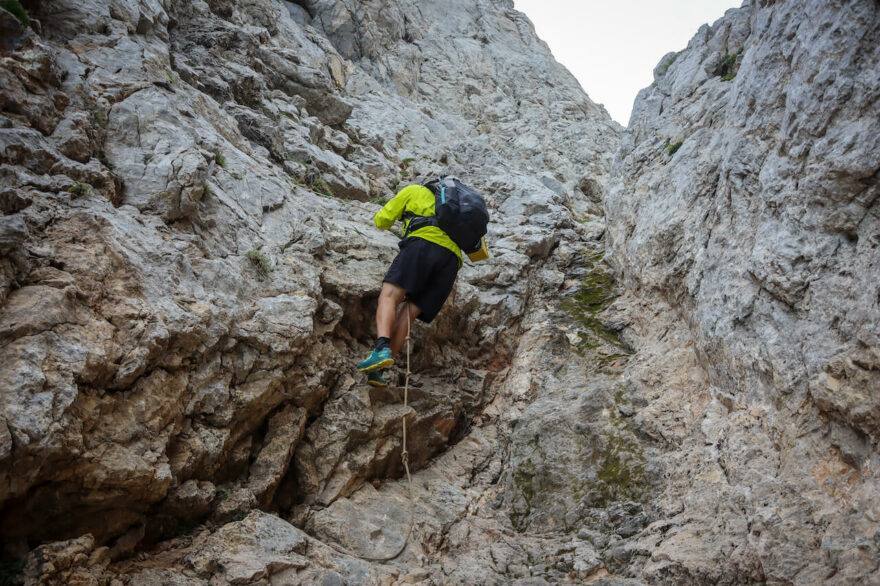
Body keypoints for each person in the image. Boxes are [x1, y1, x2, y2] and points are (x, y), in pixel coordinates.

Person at [356, 180, 462, 387]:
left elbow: (382, 220)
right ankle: (378, 372)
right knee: (408, 312)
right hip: (451, 264)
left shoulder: (414, 190)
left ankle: (382, 348)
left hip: (422, 245)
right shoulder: (459, 210)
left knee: (389, 296)